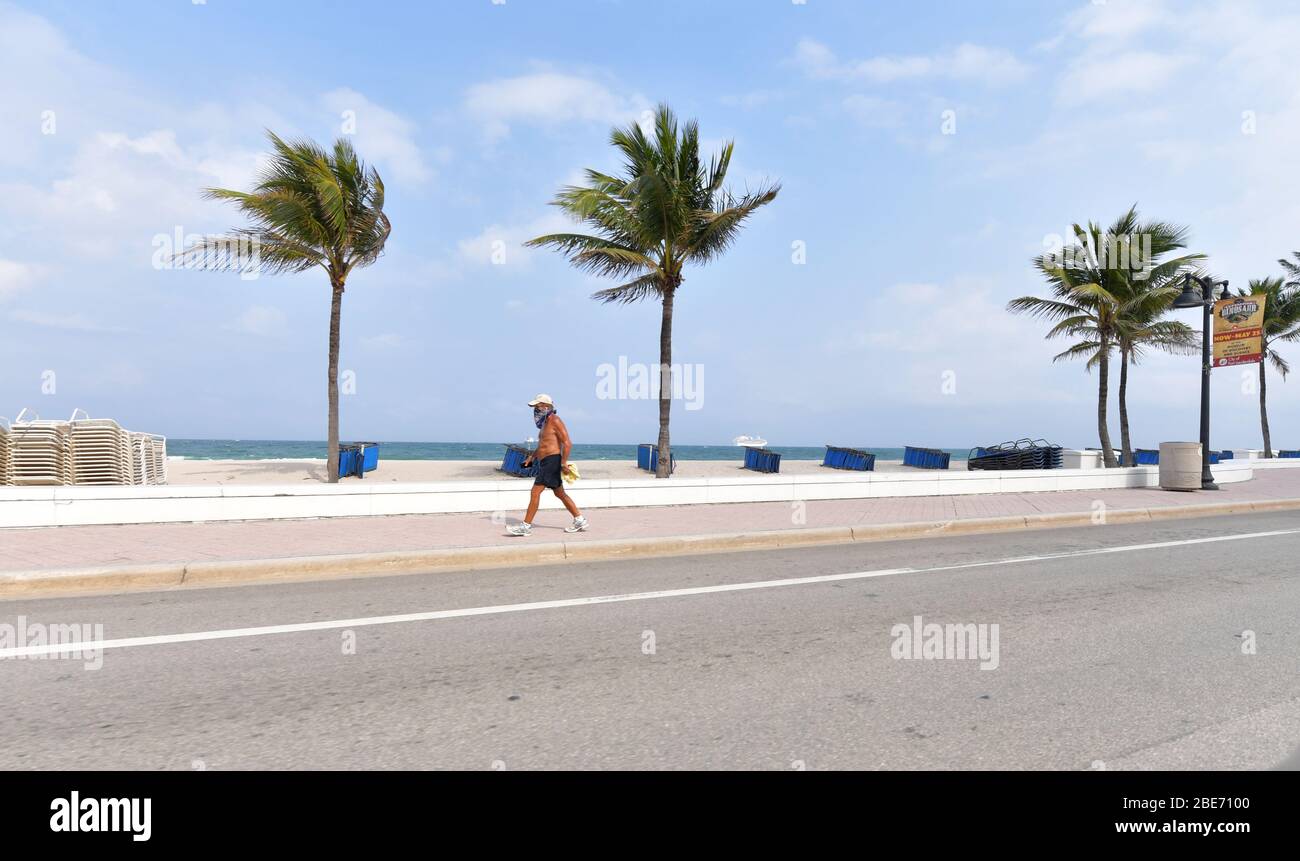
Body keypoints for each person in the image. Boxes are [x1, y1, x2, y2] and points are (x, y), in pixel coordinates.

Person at [507, 394, 588, 536]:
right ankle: (579, 519)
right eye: (534, 408)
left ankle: (525, 526)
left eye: (537, 407)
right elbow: (543, 445)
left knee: (535, 492)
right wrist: (531, 457)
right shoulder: (545, 424)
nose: (535, 410)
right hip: (546, 462)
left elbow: (567, 443)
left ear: (546, 406)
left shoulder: (555, 420)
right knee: (560, 493)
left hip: (552, 461)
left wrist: (563, 463)